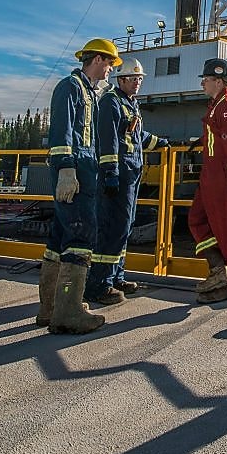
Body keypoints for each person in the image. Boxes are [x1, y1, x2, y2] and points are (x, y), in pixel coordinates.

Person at [37, 37, 120, 334]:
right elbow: (62, 132)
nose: (111, 69)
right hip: (75, 171)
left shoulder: (88, 92)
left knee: (60, 238)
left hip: (85, 169)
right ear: (97, 60)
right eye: (110, 63)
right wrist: (66, 169)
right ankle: (68, 311)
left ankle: (50, 307)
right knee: (81, 236)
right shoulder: (70, 88)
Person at [85, 58, 168, 304]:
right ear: (120, 80)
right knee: (112, 229)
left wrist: (159, 142)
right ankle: (98, 285)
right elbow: (109, 139)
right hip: (117, 176)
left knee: (124, 227)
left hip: (131, 175)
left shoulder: (130, 104)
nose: (137, 83)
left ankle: (116, 276)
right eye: (133, 79)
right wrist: (110, 172)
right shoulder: (111, 102)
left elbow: (135, 135)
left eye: (140, 79)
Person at [188, 57, 227, 304]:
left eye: (206, 79)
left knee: (224, 228)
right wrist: (200, 142)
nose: (202, 83)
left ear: (219, 81)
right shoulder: (216, 105)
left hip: (222, 178)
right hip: (210, 176)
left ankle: (226, 281)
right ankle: (218, 272)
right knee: (197, 219)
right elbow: (218, 139)